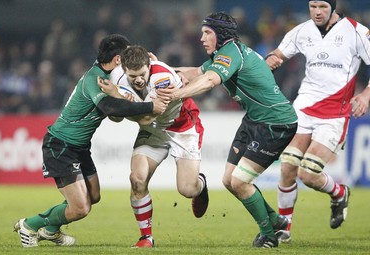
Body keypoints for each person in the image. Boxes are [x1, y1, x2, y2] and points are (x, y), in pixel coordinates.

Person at [156, 12, 298, 248]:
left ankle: (269, 236)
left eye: (207, 33)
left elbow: (210, 80)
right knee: (229, 180)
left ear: (221, 35)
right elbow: (195, 73)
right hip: (255, 119)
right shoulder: (224, 53)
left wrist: (177, 94)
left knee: (241, 182)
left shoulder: (230, 54)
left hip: (276, 123)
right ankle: (276, 220)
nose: (202, 38)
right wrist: (158, 68)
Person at [13, 34, 169, 248]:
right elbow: (110, 109)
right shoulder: (94, 78)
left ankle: (50, 230)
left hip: (79, 147)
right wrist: (150, 107)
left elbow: (116, 113)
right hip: (61, 145)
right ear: (117, 60)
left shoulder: (109, 77)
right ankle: (29, 225)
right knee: (81, 208)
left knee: (93, 196)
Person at [265, 0, 370, 243]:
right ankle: (284, 230)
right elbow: (278, 54)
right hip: (303, 108)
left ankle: (339, 192)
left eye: (322, 6)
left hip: (334, 114)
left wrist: (365, 94)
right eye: (312, 6)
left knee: (309, 173)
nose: (317, 12)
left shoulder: (356, 31)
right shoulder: (302, 31)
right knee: (288, 165)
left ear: (333, 7)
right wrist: (272, 59)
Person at [99, 45, 209, 248]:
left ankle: (200, 184)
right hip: (154, 131)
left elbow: (146, 118)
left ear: (149, 65)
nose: (139, 80)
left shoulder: (162, 78)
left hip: (182, 127)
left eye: (142, 74)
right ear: (124, 70)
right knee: (137, 179)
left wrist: (119, 99)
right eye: (133, 76)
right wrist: (117, 104)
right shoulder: (118, 79)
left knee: (187, 189)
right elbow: (116, 117)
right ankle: (146, 238)